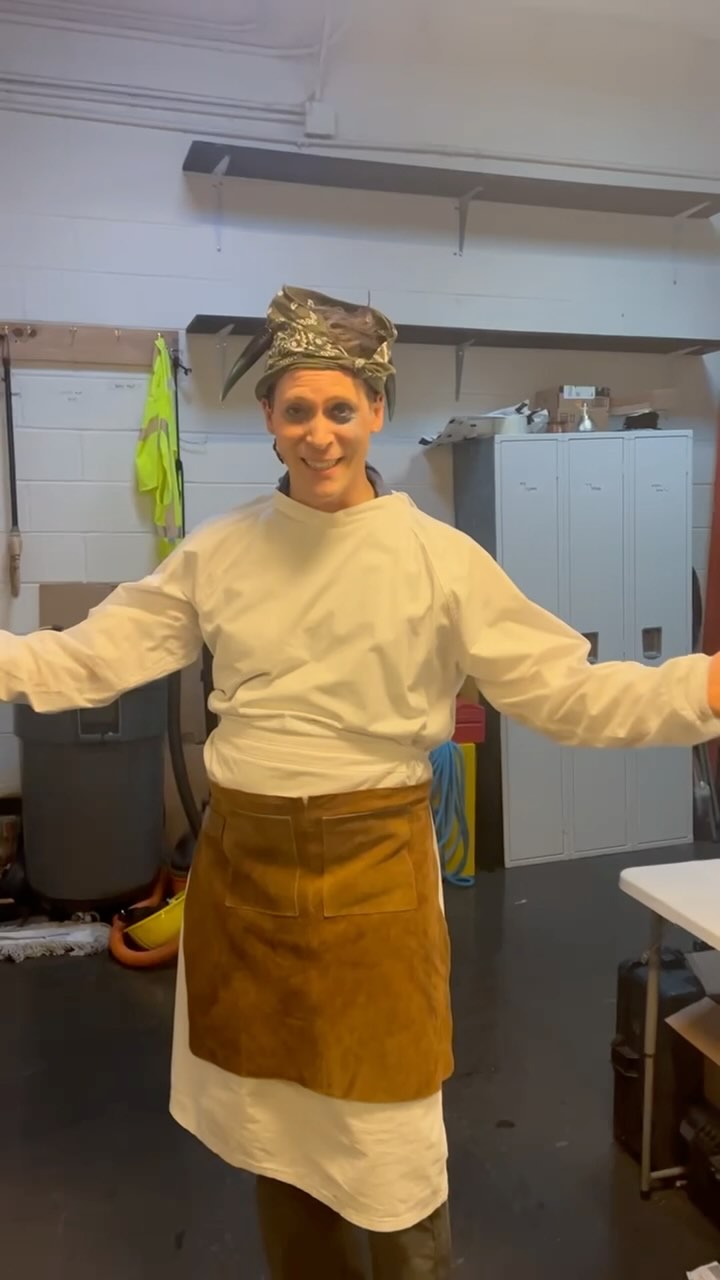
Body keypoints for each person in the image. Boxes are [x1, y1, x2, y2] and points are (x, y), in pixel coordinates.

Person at [3, 284, 720, 1280]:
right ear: (269, 417)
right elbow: (91, 656)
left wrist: (702, 687)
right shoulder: (220, 553)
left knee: (391, 1154)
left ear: (376, 409)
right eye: (297, 409)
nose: (320, 433)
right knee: (276, 1134)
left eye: (340, 407)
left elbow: (566, 692)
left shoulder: (438, 560)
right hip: (244, 880)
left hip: (374, 878)